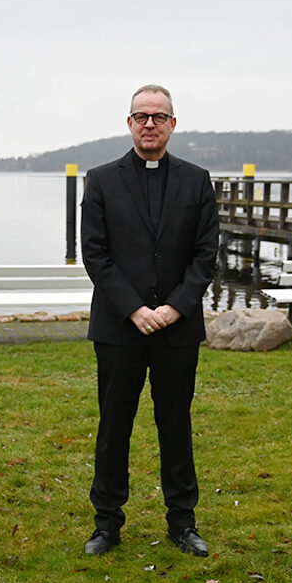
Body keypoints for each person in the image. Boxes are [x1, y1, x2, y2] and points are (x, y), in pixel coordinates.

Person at [79, 84, 219, 557]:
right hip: (120, 328)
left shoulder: (196, 181)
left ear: (173, 124)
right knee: (113, 427)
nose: (150, 124)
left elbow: (205, 256)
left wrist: (175, 307)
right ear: (129, 123)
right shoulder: (100, 180)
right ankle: (106, 524)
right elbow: (95, 255)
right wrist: (134, 309)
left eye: (159, 117)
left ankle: (183, 522)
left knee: (175, 426)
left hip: (177, 329)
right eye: (141, 116)